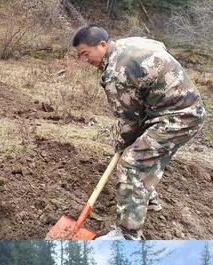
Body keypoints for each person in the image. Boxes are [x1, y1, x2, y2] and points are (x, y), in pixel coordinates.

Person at [72, 25, 205, 240]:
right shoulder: (127, 44)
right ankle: (147, 197)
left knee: (132, 162)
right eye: (80, 56)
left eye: (85, 54)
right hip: (174, 109)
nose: (84, 60)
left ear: (102, 45)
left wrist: (122, 145)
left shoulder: (116, 73)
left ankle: (127, 234)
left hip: (178, 116)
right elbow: (159, 47)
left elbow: (129, 122)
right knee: (144, 151)